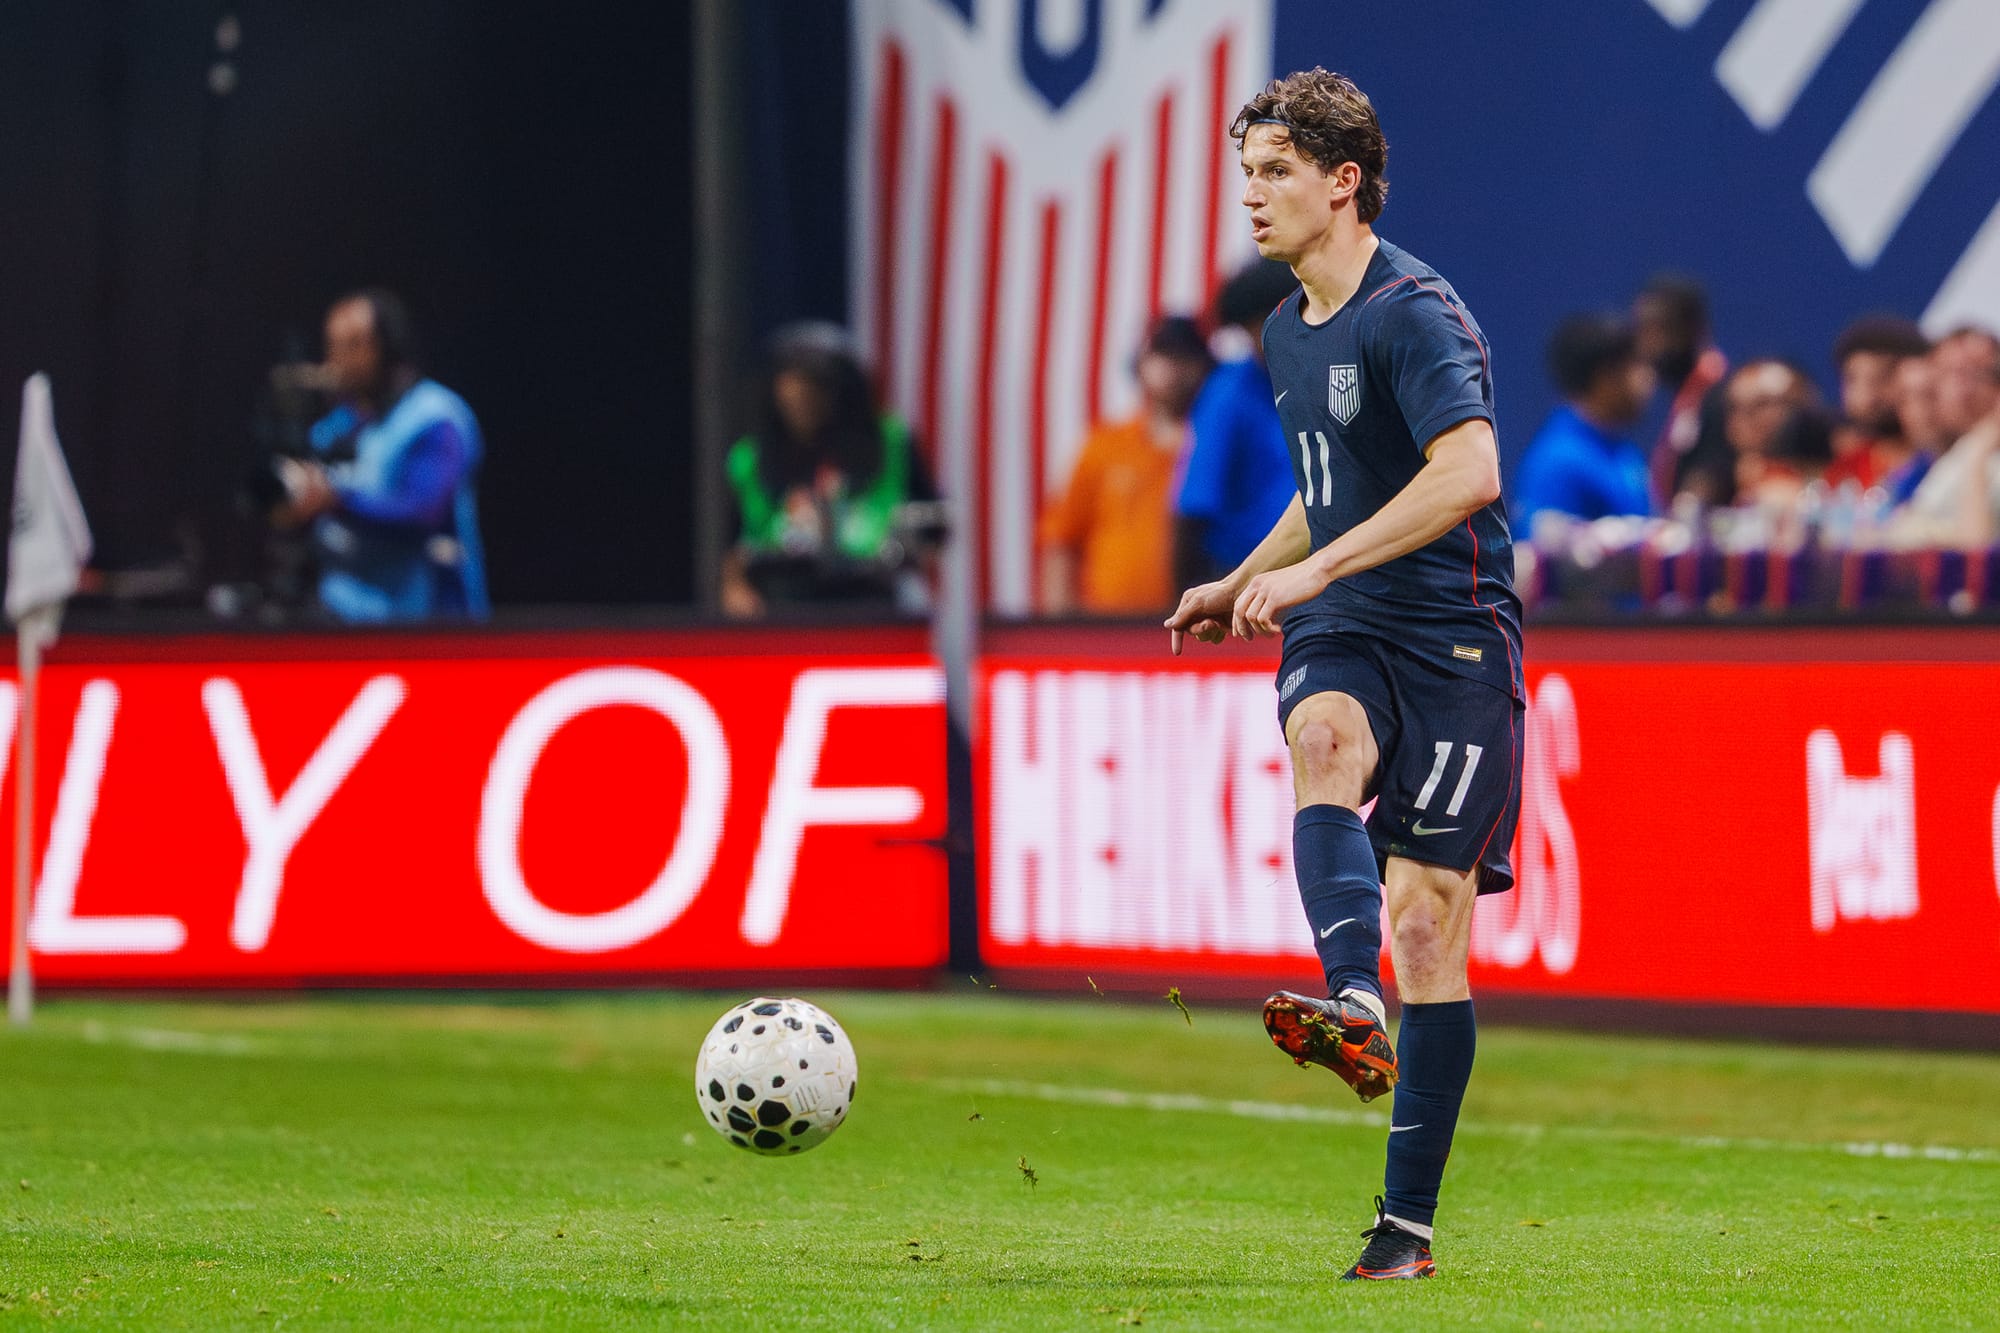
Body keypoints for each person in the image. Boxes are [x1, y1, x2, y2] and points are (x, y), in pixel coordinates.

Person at [1164, 67, 1522, 1282]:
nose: (1251, 196)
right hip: (1351, 621)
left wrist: (1316, 568)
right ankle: (1349, 1000)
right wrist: (1243, 577)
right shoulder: (1282, 327)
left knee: (1426, 925)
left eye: (1274, 172)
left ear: (1342, 182)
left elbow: (1467, 473)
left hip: (1455, 637)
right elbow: (1325, 493)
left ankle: (1403, 1228)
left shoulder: (1412, 312)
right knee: (1319, 735)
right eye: (1245, 173)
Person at [276, 289, 489, 621]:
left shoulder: (435, 418)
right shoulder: (335, 427)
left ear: (390, 347)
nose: (340, 359)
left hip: (427, 623)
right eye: (334, 346)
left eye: (354, 344)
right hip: (343, 619)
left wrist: (335, 500)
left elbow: (423, 513)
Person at [721, 323, 939, 617]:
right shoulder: (751, 459)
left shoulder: (889, 443)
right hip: (782, 601)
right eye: (791, 394)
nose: (801, 403)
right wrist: (735, 587)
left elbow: (931, 525)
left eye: (814, 392)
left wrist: (906, 551)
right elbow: (735, 544)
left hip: (871, 597)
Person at [1038, 316, 1213, 614]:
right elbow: (1062, 538)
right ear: (1141, 363)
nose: (1173, 367)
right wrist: (1058, 627)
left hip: (1196, 625)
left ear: (1204, 367)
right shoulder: (1107, 445)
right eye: (1163, 353)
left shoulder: (1215, 447)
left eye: (1185, 356)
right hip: (1109, 626)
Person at [1173, 259, 1301, 588]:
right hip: (1246, 580)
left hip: (1322, 575)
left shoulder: (1325, 381)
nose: (1261, 342)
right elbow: (1193, 510)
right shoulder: (1228, 394)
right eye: (1253, 330)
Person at [1511, 313, 1655, 536]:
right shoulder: (1558, 463)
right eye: (1636, 365)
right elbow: (1542, 551)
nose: (1649, 378)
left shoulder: (1623, 450)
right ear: (1605, 377)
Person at [1884, 327, 2000, 549]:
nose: (1964, 390)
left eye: (1978, 374)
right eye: (1951, 374)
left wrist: (1980, 450)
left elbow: (1976, 553)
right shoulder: (1950, 457)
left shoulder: (1985, 456)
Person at [1634, 273, 1729, 508]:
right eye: (1642, 330)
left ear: (1693, 329)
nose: (1647, 345)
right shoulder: (1689, 396)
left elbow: (1710, 484)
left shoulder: (1720, 396)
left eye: (1659, 330)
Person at [1825, 316, 1930, 491]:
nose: (1867, 398)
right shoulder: (1844, 471)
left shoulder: (1945, 459)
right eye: (1853, 380)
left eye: (1883, 378)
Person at [1721, 358, 1824, 510]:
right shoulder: (1717, 484)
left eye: (1760, 404)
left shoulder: (1827, 480)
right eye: (1733, 407)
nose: (1743, 419)